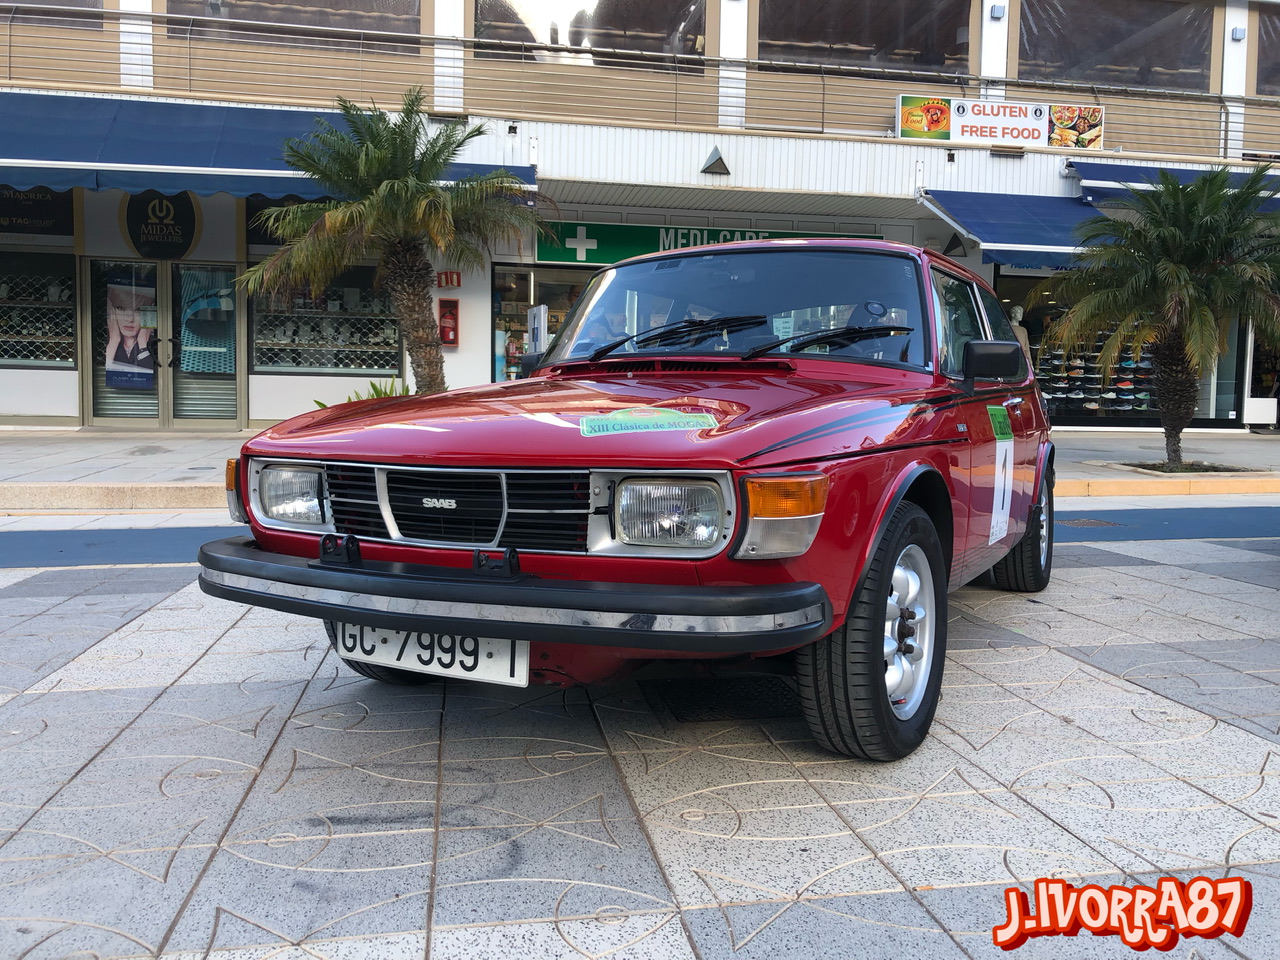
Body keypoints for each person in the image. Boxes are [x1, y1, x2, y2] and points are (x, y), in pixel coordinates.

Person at [105, 283, 154, 372]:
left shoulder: (156, 344)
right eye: (121, 308)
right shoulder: (103, 344)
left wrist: (144, 346)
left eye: (138, 310)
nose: (130, 319)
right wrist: (113, 342)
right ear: (111, 311)